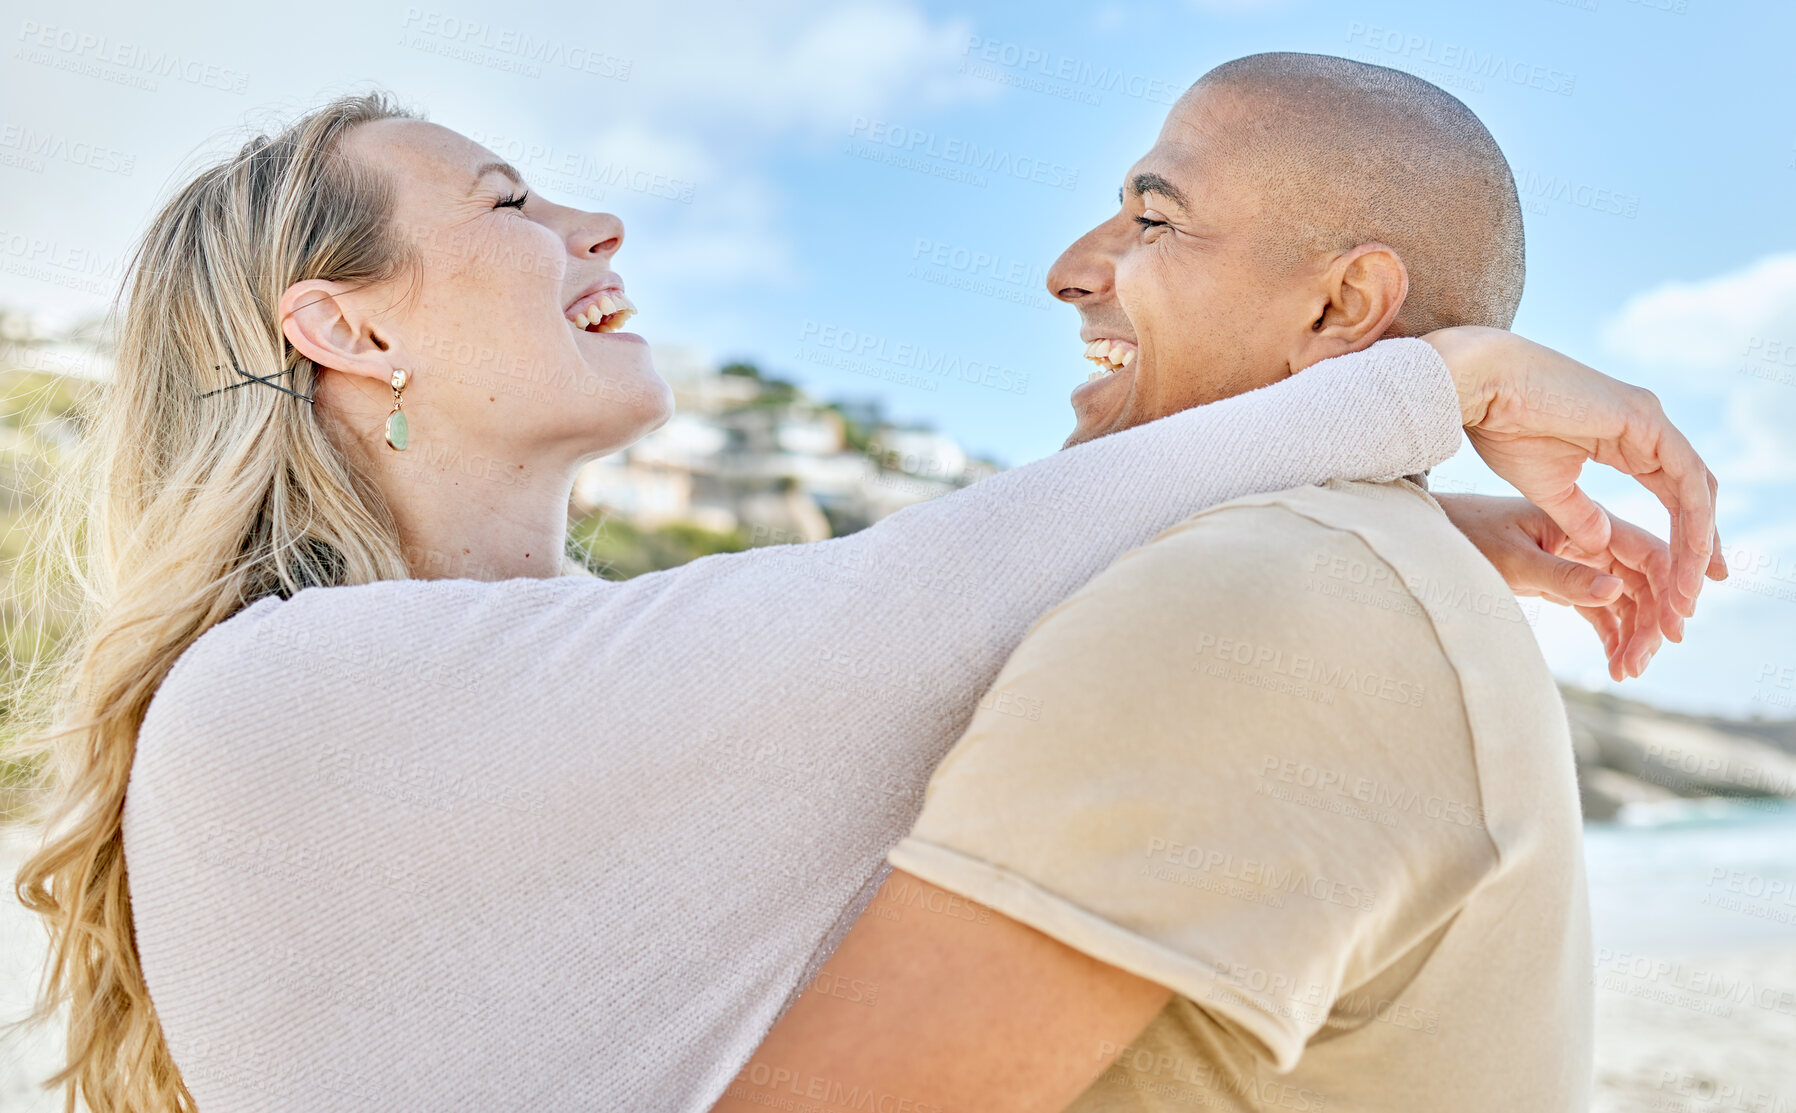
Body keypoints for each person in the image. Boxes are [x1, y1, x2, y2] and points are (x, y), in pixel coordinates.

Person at [7, 87, 1716, 1113]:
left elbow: (947, 635)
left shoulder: (488, 706)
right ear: (350, 330)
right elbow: (914, 605)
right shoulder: (276, 698)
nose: (597, 222)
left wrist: (1395, 519)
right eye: (513, 204)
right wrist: (1441, 384)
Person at [714, 54, 1681, 1113]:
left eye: (1152, 220)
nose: (1070, 272)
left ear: (1341, 305)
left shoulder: (1251, 596)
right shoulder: (1362, 573)